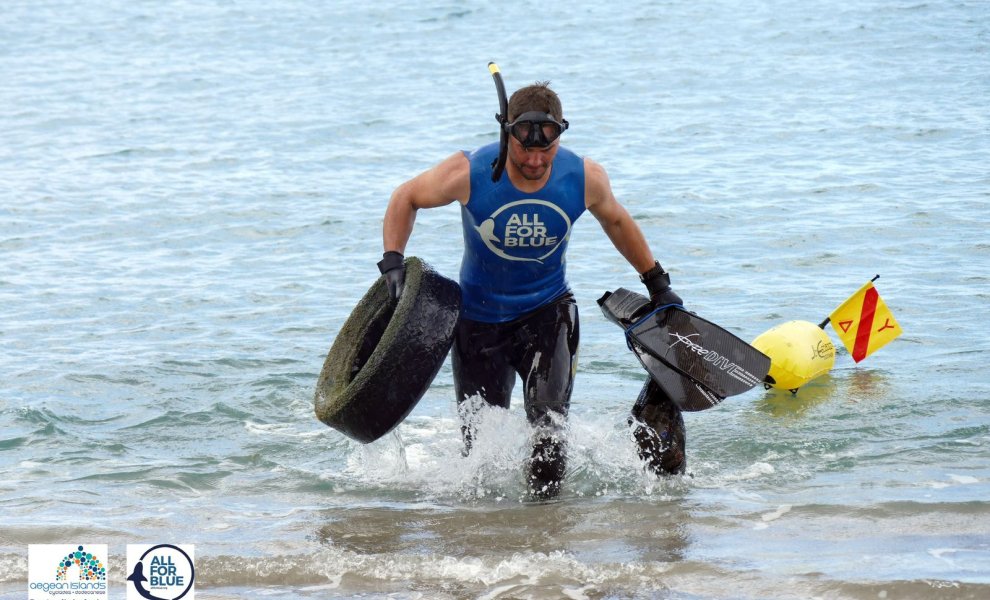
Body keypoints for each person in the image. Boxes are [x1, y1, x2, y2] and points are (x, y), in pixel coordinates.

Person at [377, 80, 683, 498]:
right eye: (525, 149)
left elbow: (616, 221)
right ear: (507, 132)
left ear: (559, 135)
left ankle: (546, 535)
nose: (536, 161)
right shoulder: (470, 171)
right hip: (477, 322)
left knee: (549, 430)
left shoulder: (583, 176)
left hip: (548, 313)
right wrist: (392, 262)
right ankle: (489, 543)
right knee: (479, 453)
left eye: (547, 149)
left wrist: (657, 283)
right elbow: (405, 197)